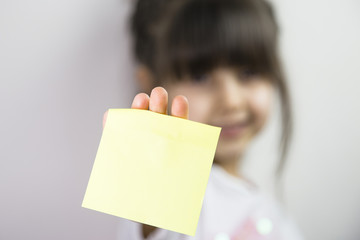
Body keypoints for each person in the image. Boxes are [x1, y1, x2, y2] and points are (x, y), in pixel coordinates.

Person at [106, 0, 304, 239]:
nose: (231, 101)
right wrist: (149, 217)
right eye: (200, 76)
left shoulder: (272, 210)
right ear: (151, 83)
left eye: (248, 72)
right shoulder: (173, 197)